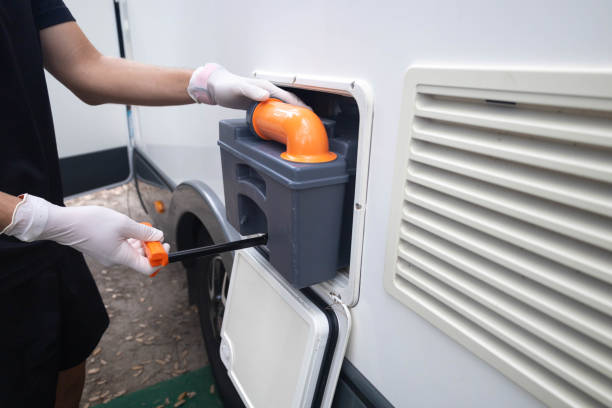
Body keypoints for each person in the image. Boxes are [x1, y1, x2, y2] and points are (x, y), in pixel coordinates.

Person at [0, 1, 305, 407]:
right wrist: (37, 218)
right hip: (23, 245)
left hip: (46, 245)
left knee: (67, 369)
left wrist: (205, 84)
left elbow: (86, 68)